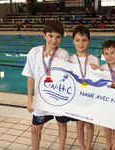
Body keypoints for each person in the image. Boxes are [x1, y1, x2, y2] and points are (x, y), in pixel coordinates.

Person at [22, 20, 71, 150]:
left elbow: (65, 78)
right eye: (50, 36)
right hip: (41, 99)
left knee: (61, 125)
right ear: (44, 35)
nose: (54, 40)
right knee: (35, 128)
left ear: (61, 38)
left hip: (59, 98)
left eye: (58, 37)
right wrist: (29, 99)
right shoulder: (34, 52)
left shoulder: (63, 54)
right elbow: (30, 76)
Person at [69, 26, 99, 150]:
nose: (81, 43)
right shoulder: (70, 59)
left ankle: (88, 146)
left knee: (89, 123)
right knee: (79, 124)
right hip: (76, 97)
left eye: (84, 40)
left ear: (89, 41)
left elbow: (99, 81)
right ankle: (82, 146)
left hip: (89, 97)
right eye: (77, 40)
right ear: (73, 41)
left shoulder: (94, 59)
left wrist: (97, 70)